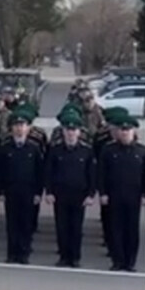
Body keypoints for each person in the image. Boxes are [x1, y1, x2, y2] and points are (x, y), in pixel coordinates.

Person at [44, 110, 95, 268]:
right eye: (68, 130)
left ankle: (75, 257)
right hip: (60, 194)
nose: (71, 133)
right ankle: (64, 256)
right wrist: (49, 192)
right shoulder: (56, 150)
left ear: (79, 132)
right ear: (63, 131)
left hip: (79, 194)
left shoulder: (86, 151)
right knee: (62, 226)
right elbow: (48, 172)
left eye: (74, 130)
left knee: (76, 227)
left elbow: (92, 174)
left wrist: (91, 194)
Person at [98, 113, 145, 272]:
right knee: (116, 229)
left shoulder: (141, 151)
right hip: (114, 195)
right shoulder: (109, 150)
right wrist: (103, 193)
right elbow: (102, 173)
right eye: (122, 130)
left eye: (128, 130)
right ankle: (117, 261)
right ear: (118, 132)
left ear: (133, 132)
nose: (125, 133)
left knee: (132, 230)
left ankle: (130, 261)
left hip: (133, 196)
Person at [0, 110, 44, 265]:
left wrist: (38, 193)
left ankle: (23, 253)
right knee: (12, 223)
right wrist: (0, 190)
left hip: (28, 191)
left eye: (22, 125)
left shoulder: (34, 148)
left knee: (26, 223)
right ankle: (12, 253)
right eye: (16, 126)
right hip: (11, 190)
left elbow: (39, 172)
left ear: (28, 128)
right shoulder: (5, 148)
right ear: (11, 128)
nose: (19, 129)